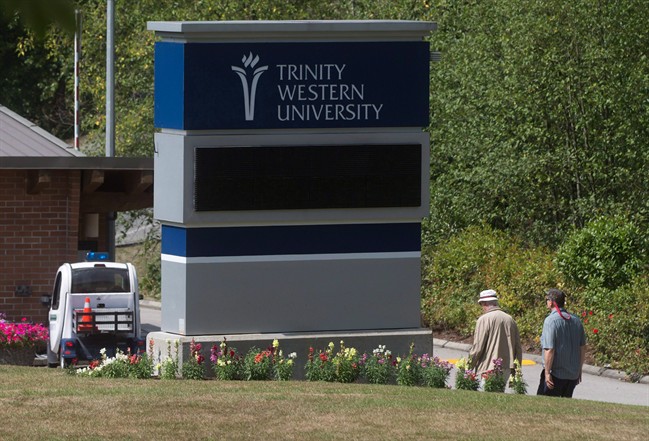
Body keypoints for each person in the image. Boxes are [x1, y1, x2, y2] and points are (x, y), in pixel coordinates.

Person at [537, 288, 587, 398]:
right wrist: (578, 370)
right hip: (572, 375)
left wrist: (547, 373)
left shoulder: (550, 321)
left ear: (551, 302)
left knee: (544, 405)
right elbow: (582, 347)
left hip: (556, 374)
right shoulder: (576, 320)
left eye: (547, 299)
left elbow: (550, 349)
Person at [468, 289, 522, 378]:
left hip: (488, 367)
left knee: (487, 391)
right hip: (507, 367)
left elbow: (478, 347)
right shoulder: (510, 319)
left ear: (485, 303)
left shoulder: (484, 319)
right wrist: (517, 371)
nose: (482, 308)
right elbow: (518, 348)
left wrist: (469, 367)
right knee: (500, 391)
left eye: (481, 305)